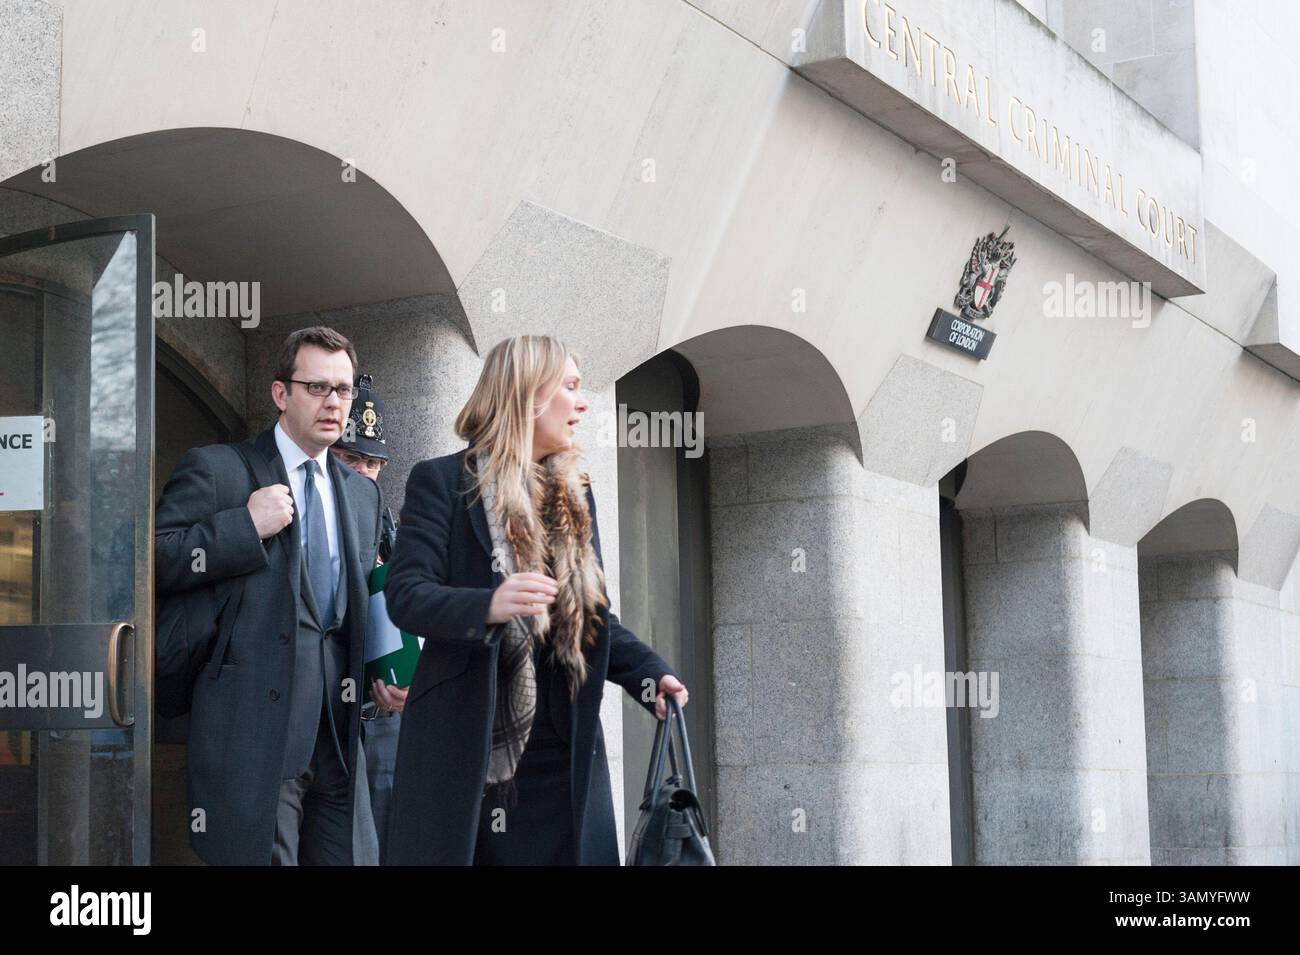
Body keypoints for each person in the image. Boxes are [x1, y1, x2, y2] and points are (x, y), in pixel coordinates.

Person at [384, 335, 689, 865]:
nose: (583, 402)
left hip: (564, 751)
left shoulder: (575, 493)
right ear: (528, 396)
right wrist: (488, 605)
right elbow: (407, 596)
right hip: (471, 751)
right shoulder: (442, 482)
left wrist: (649, 675)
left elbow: (591, 617)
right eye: (570, 386)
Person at [155, 326, 383, 865]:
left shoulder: (362, 493)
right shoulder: (219, 469)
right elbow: (153, 561)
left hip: (340, 739)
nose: (334, 403)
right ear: (281, 394)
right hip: (255, 736)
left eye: (343, 390)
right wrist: (243, 527)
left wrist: (382, 675)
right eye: (317, 388)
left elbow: (352, 609)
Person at [330, 374, 406, 863]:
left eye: (373, 462)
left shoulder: (391, 523)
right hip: (323, 714)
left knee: (384, 839)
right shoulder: (311, 511)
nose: (364, 471)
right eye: (353, 458)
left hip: (382, 710)